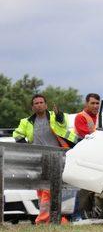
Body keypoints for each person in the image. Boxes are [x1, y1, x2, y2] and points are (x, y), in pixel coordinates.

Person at [13, 94, 78, 224]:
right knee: (41, 190)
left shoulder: (55, 116)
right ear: (32, 107)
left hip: (56, 158)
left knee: (49, 189)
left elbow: (62, 122)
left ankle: (42, 219)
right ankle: (53, 218)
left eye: (41, 102)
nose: (39, 105)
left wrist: (58, 114)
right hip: (38, 159)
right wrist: (27, 148)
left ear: (46, 105)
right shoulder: (26, 122)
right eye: (36, 103)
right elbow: (17, 134)